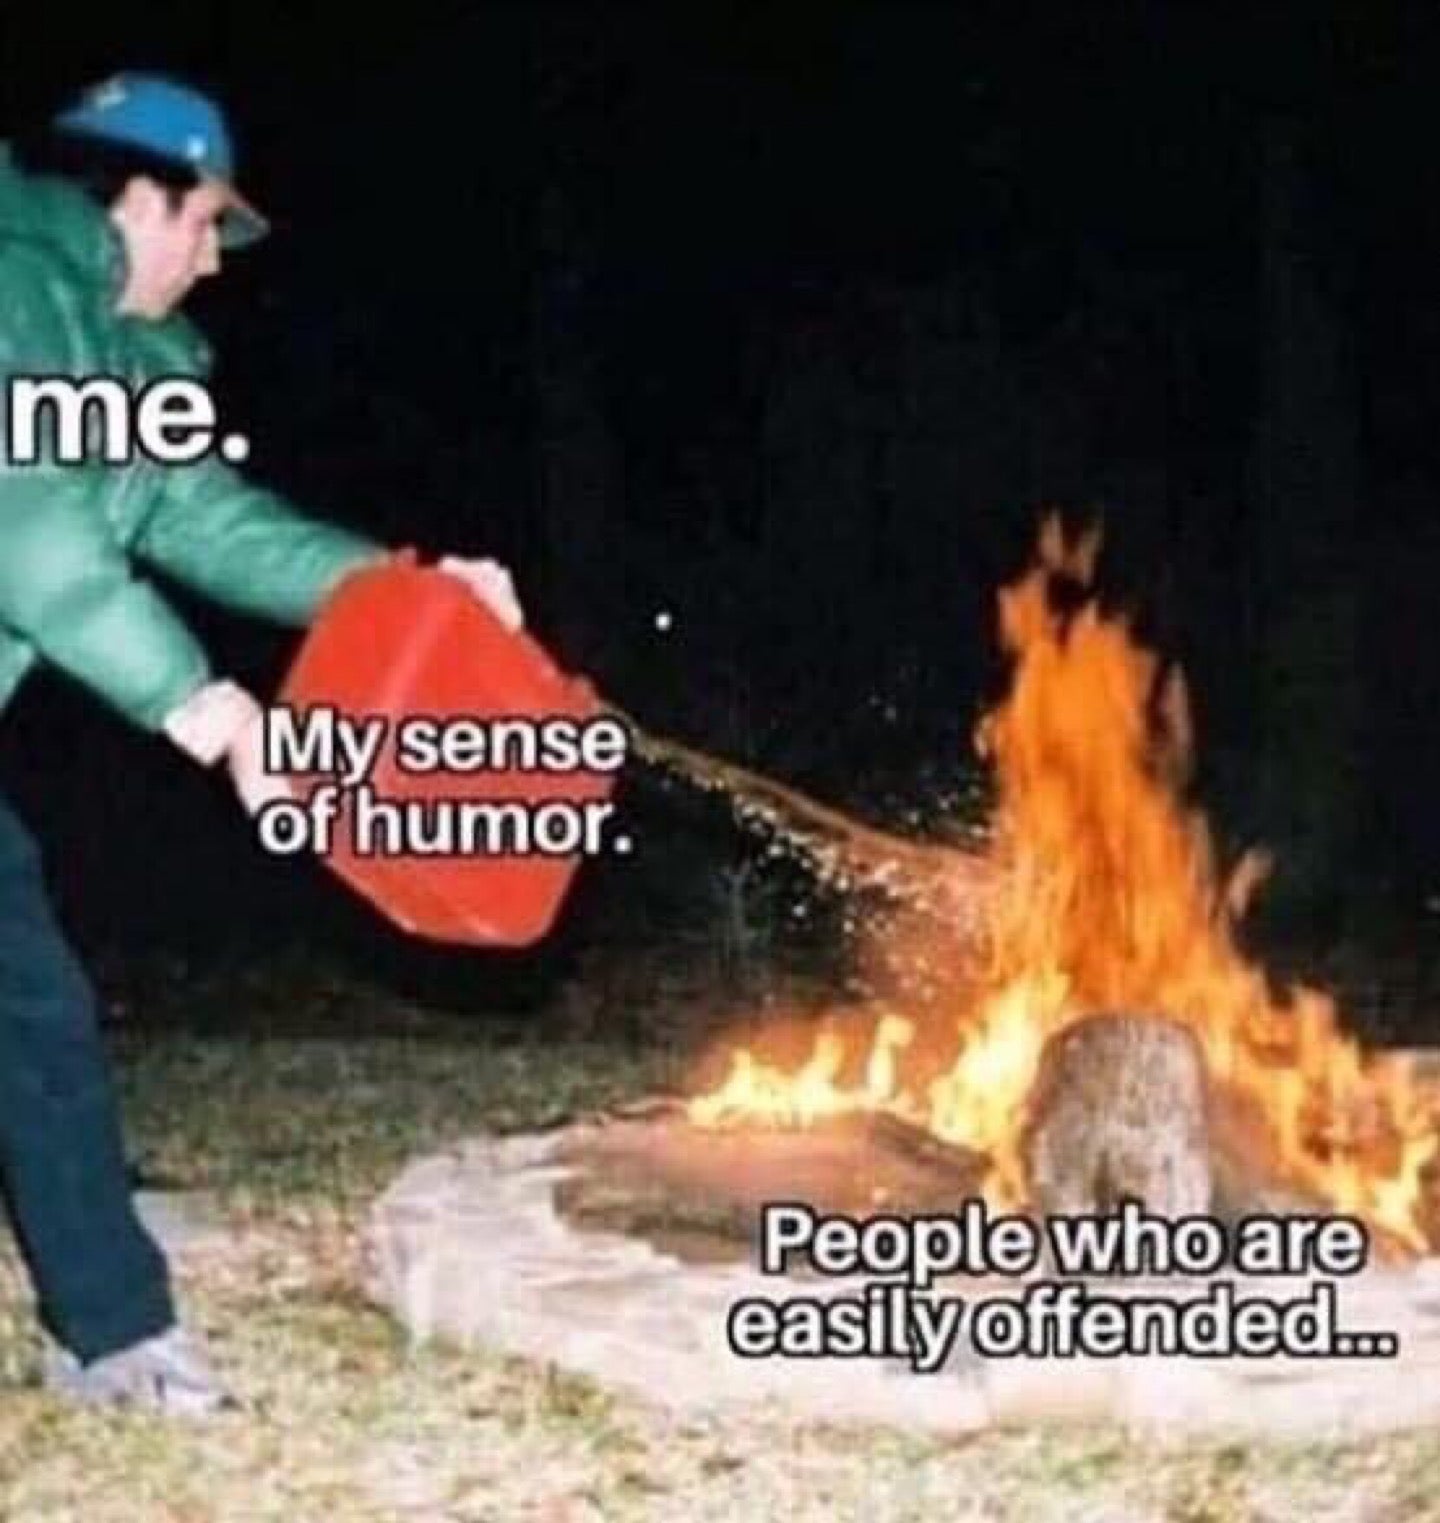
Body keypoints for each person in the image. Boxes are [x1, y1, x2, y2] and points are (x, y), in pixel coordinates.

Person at [0, 71, 524, 1415]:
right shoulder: (14, 282)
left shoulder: (124, 359)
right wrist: (212, 707)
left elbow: (213, 526)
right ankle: (113, 1333)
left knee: (24, 1002)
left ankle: (101, 1305)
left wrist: (414, 590)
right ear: (140, 194)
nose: (215, 260)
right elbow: (30, 534)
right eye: (206, 224)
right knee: (27, 1003)